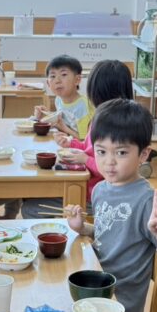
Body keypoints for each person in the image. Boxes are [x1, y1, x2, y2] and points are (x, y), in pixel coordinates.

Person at [64, 99, 157, 312]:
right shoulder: (100, 189)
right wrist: (82, 228)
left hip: (120, 305)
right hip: (95, 286)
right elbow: (110, 232)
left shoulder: (148, 201)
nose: (109, 162)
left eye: (120, 153)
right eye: (101, 151)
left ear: (143, 154)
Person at [21, 58, 133, 220]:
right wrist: (71, 143)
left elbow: (114, 169)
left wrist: (85, 159)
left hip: (98, 197)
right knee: (31, 196)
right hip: (91, 188)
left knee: (31, 208)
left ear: (97, 92)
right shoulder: (105, 119)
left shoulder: (111, 124)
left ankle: (68, 233)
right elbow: (89, 148)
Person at [33, 55, 93, 140]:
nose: (57, 80)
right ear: (48, 83)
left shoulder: (83, 106)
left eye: (63, 74)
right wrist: (45, 116)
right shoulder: (58, 99)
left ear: (77, 80)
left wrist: (64, 128)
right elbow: (64, 121)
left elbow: (85, 141)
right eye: (53, 76)